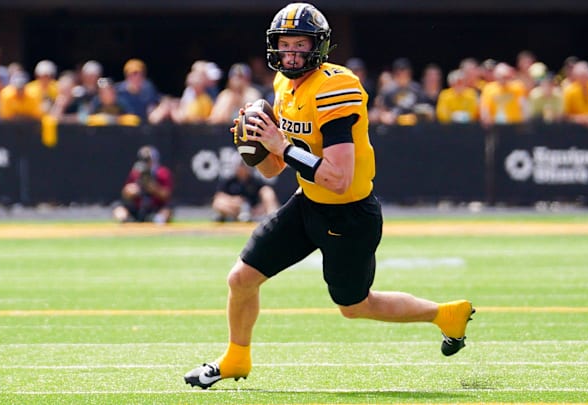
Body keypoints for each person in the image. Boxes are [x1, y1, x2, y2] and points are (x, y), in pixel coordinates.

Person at [184, 2, 474, 390]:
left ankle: (445, 315)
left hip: (349, 216)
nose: (290, 53)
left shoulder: (337, 86)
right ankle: (236, 357)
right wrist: (255, 148)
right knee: (241, 279)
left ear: (317, 47)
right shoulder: (283, 84)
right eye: (283, 44)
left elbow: (339, 177)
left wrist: (281, 144)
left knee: (354, 306)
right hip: (308, 204)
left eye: (299, 45)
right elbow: (275, 168)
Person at [112, 145, 173, 224]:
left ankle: (157, 220)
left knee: (167, 209)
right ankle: (126, 220)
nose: (145, 163)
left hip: (154, 207)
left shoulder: (162, 173)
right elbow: (125, 193)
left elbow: (166, 195)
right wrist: (132, 190)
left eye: (147, 160)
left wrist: (153, 188)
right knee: (117, 206)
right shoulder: (135, 173)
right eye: (143, 160)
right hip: (137, 207)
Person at [212, 158, 279, 222]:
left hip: (253, 211)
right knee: (218, 203)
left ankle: (273, 218)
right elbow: (219, 196)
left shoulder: (254, 181)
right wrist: (234, 200)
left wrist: (259, 208)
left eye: (244, 166)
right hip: (235, 210)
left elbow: (265, 192)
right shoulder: (229, 181)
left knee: (267, 191)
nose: (242, 168)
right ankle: (235, 217)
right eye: (240, 166)